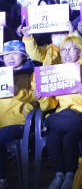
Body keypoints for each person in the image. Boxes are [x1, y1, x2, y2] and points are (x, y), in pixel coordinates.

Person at [40, 35, 82, 189]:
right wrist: (43, 96)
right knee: (53, 136)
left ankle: (70, 175)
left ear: (81, 52)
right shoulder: (56, 71)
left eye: (71, 49)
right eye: (63, 49)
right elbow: (47, 106)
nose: (66, 53)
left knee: (69, 135)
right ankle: (59, 174)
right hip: (65, 116)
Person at [0, 41, 35, 188]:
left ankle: (1, 179)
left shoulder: (31, 74)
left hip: (19, 122)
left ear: (23, 56)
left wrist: (19, 92)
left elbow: (37, 97)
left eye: (15, 54)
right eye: (6, 55)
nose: (10, 58)